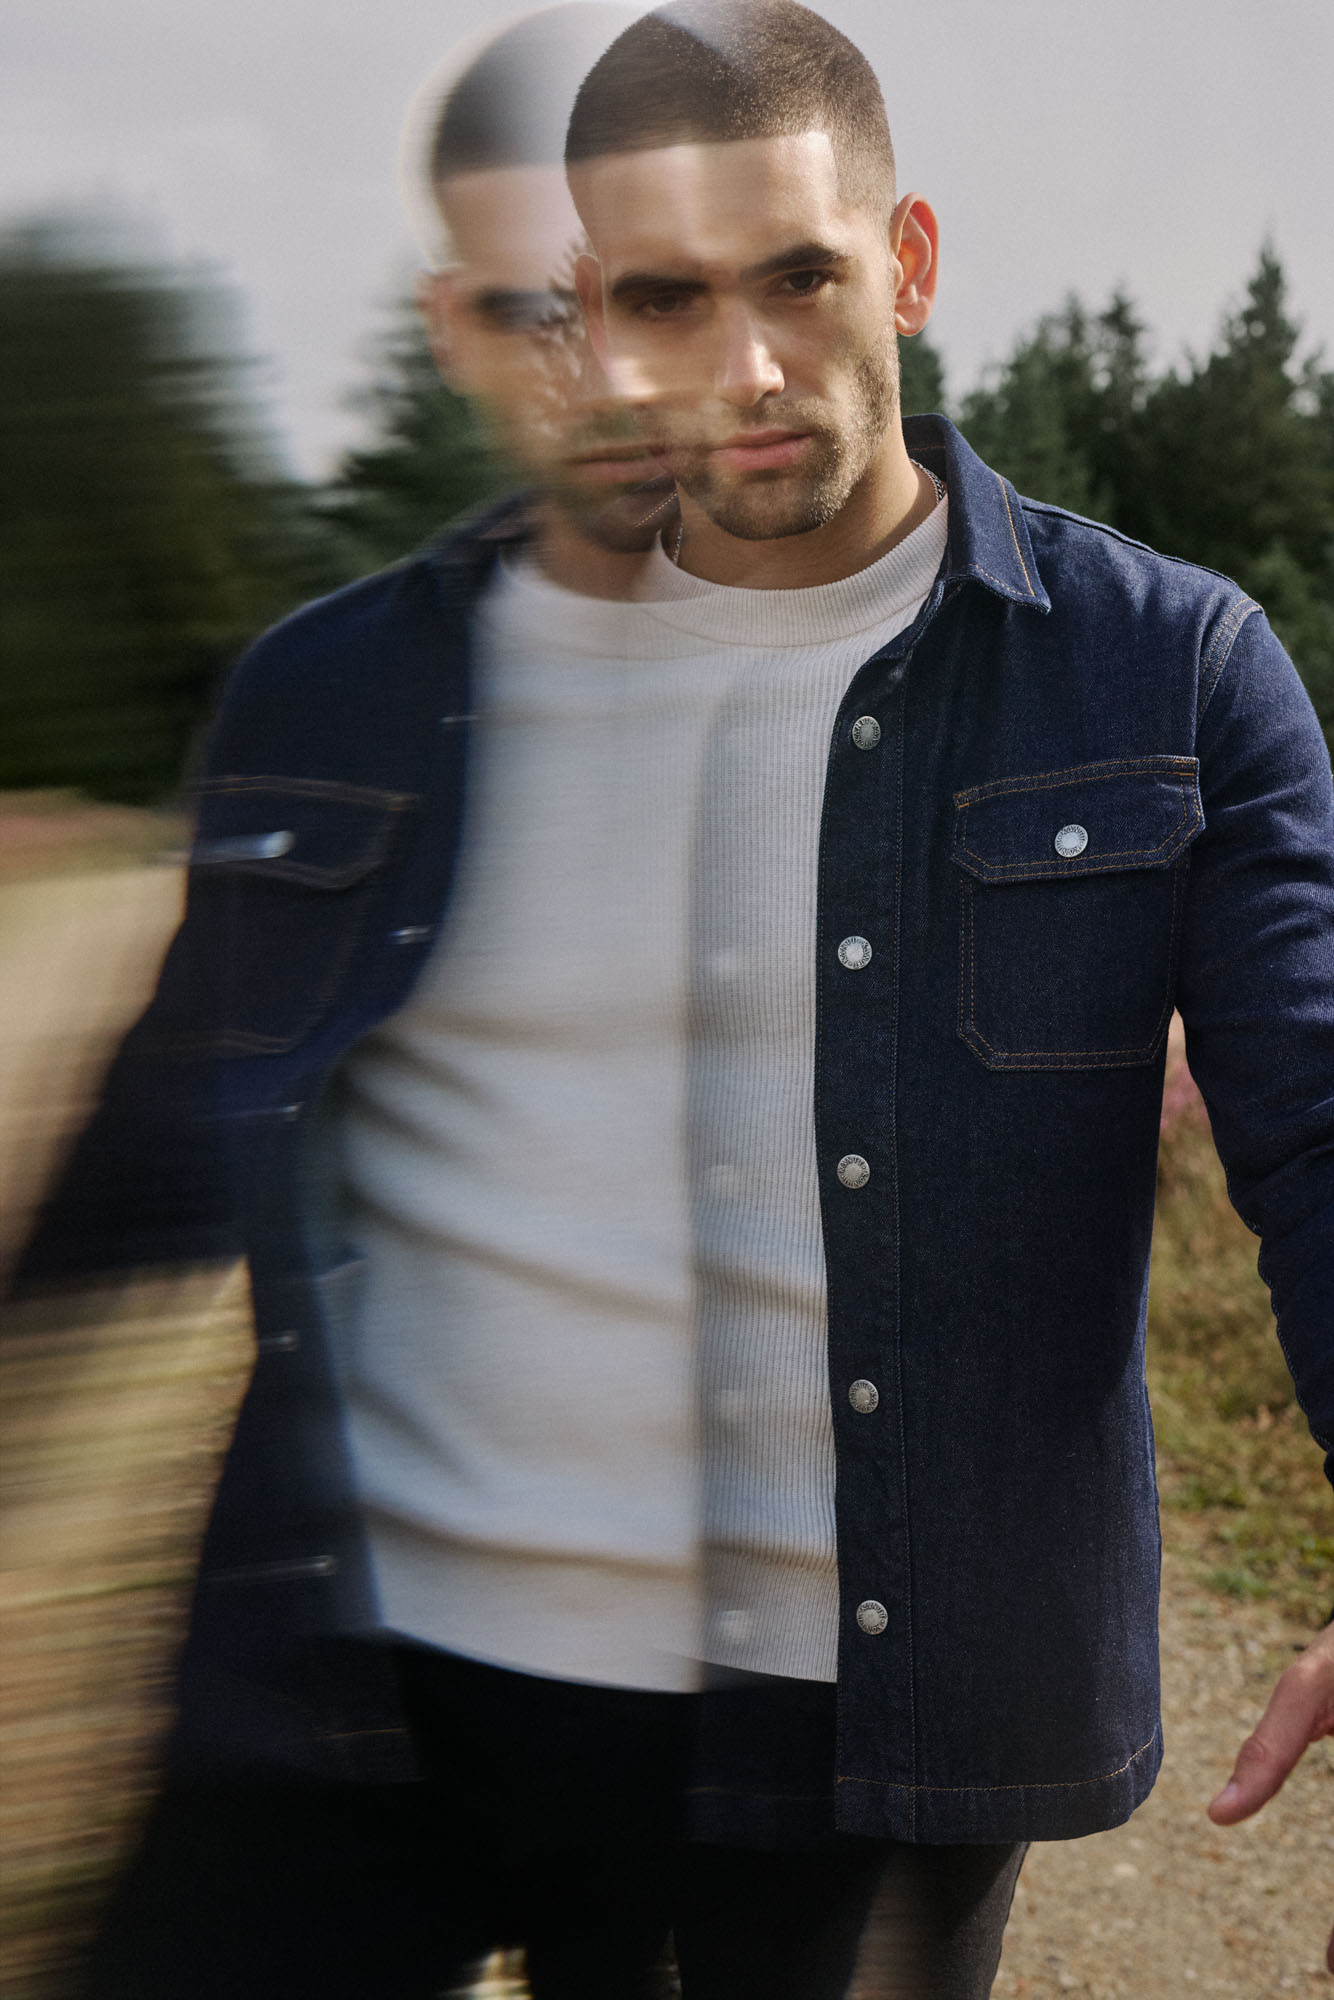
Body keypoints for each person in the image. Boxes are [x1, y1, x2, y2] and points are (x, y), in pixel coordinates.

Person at [10, 6, 1332, 2000]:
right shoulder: (352, 685)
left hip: (848, 1737)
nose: (745, 366)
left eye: (798, 274)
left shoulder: (1167, 678)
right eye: (660, 296)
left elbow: (1310, 1120)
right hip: (364, 1688)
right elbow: (149, 1158)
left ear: (904, 262)